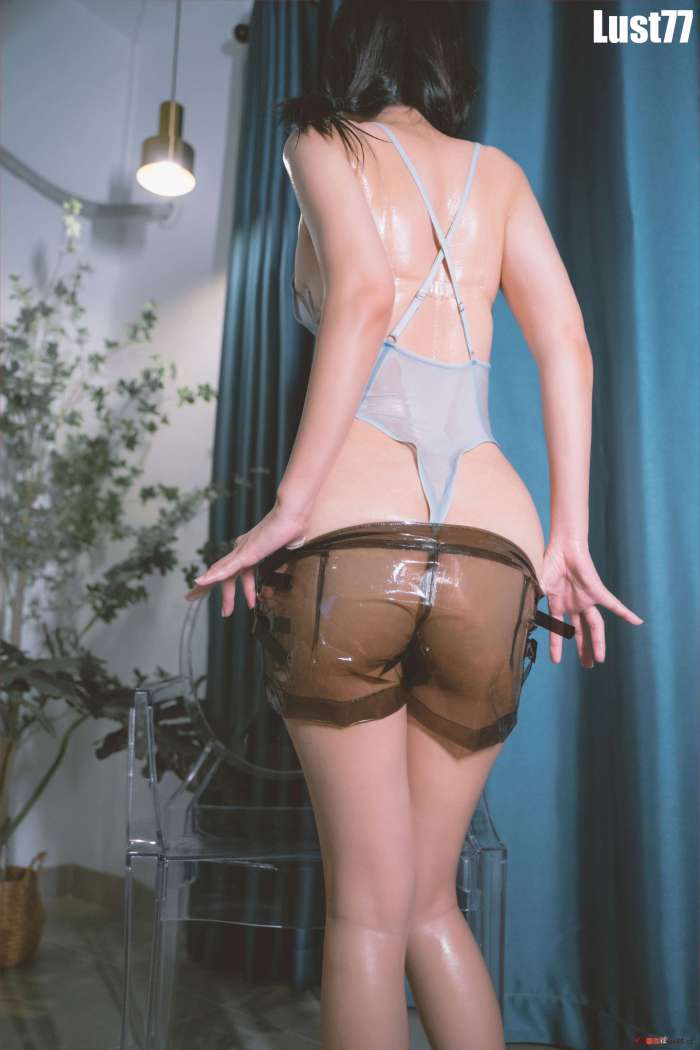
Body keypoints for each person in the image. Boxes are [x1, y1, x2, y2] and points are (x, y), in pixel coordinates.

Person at [185, 2, 643, 1047]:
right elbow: (568, 344)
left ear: (346, 45)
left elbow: (361, 295)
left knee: (365, 916)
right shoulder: (498, 175)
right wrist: (569, 537)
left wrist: (290, 507)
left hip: (357, 547)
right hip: (495, 557)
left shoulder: (319, 141)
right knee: (432, 906)